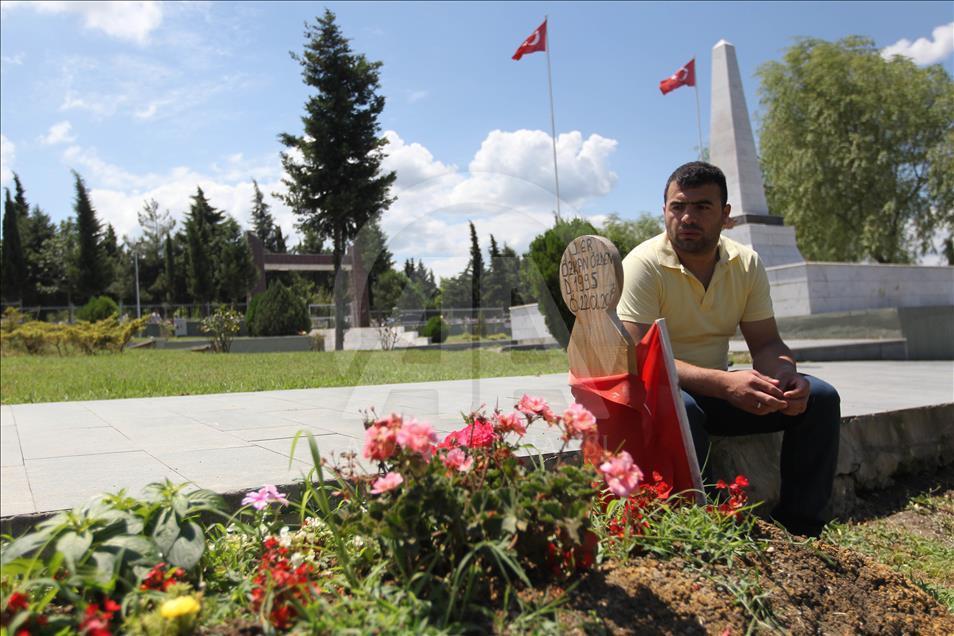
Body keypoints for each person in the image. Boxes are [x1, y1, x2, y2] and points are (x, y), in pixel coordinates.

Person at [617, 161, 840, 537]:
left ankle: (802, 528)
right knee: (681, 407)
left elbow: (767, 342)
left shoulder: (745, 263)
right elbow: (639, 356)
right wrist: (723, 383)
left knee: (819, 397)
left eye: (702, 207)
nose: (687, 217)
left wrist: (784, 375)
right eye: (677, 207)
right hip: (657, 396)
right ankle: (708, 529)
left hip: (716, 393)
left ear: (724, 215)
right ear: (665, 210)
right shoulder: (643, 265)